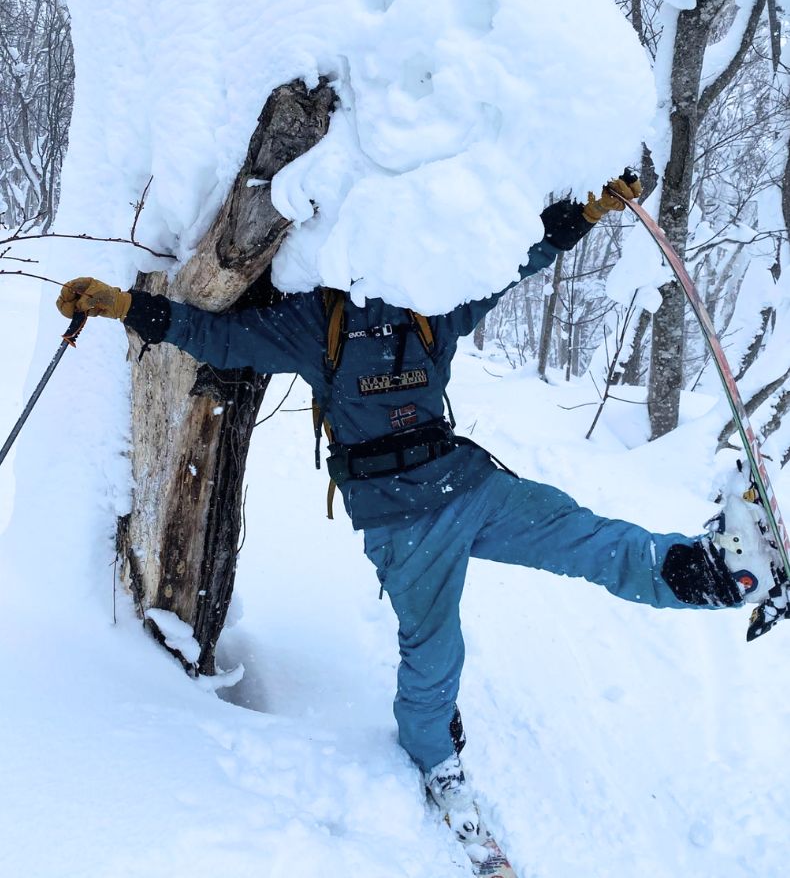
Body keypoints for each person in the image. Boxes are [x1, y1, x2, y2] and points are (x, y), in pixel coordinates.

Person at [56, 172, 775, 844]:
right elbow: (218, 336)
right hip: (401, 522)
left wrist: (585, 213)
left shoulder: (436, 304)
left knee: (584, 538)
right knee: (434, 651)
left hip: (466, 484)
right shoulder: (321, 322)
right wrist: (126, 307)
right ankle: (436, 762)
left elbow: (514, 263)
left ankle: (714, 574)